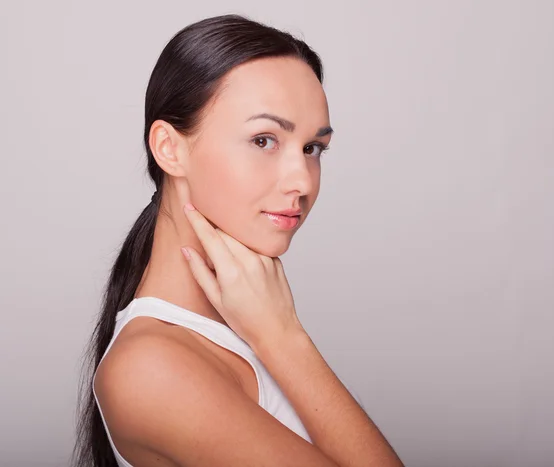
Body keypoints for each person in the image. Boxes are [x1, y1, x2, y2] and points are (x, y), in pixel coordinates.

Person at [71, 13, 404, 467]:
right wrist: (284, 338)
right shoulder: (151, 367)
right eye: (264, 140)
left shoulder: (242, 320)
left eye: (313, 148)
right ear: (170, 148)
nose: (302, 181)